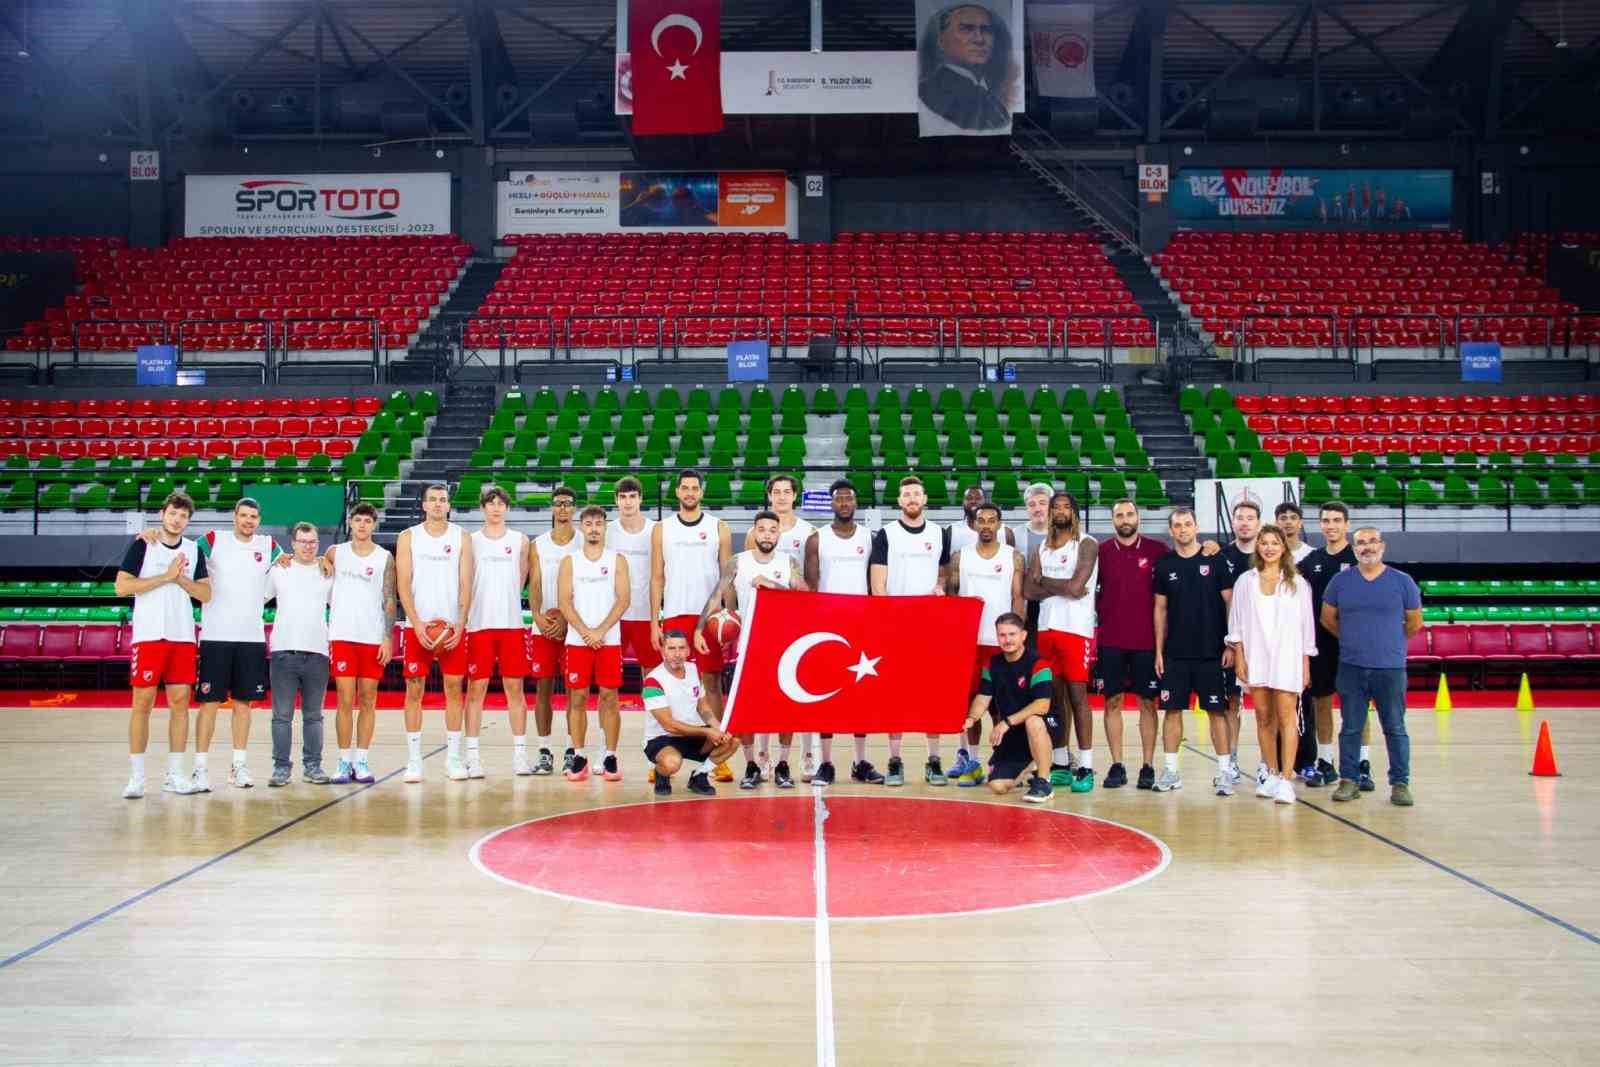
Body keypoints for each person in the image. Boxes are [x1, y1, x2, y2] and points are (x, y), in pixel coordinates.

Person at [140, 497, 278, 790]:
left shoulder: (268, 545)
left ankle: (238, 766)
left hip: (251, 637)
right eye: (243, 515)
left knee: (244, 704)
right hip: (215, 635)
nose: (248, 521)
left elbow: (293, 560)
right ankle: (200, 768)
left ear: (259, 520)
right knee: (209, 703)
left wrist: (324, 559)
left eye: (253, 516)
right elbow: (179, 546)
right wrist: (153, 534)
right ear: (234, 516)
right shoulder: (213, 540)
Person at [703, 509, 809, 789]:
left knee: (784, 708)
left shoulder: (789, 562)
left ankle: (783, 765)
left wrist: (773, 585)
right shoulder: (738, 561)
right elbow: (716, 596)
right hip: (748, 646)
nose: (767, 535)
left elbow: (806, 597)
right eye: (762, 529)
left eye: (772, 530)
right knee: (747, 709)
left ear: (778, 534)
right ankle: (751, 765)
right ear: (753, 532)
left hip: (782, 647)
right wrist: (699, 628)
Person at [116, 491, 211, 798]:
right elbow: (122, 586)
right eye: (172, 513)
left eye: (183, 515)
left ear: (188, 520)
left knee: (180, 704)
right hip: (149, 635)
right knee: (142, 703)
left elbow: (205, 594)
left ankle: (175, 775)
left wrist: (180, 579)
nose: (177, 519)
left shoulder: (194, 550)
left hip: (182, 636)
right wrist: (166, 576)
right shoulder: (144, 544)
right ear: (162, 514)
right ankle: (136, 778)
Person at [1322, 527, 1423, 807]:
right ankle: (1349, 780)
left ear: (1382, 546)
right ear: (1354, 549)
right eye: (1360, 543)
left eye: (1372, 541)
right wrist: (1352, 640)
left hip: (1390, 668)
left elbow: (1414, 622)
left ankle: (1400, 783)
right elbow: (1328, 619)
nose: (1367, 547)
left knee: (1395, 727)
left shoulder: (1402, 581)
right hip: (1351, 667)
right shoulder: (1340, 582)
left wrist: (1388, 642)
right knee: (1350, 728)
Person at [869, 475, 953, 786]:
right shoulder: (886, 534)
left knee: (932, 692)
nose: (912, 499)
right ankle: (895, 760)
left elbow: (943, 573)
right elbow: (878, 585)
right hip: (896, 627)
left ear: (925, 498)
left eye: (916, 493)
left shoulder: (939, 533)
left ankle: (934, 760)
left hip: (930, 627)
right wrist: (890, 622)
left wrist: (940, 586)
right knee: (896, 694)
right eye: (906, 495)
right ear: (899, 501)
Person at [1226, 525, 1316, 805]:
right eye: (1264, 543)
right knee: (1264, 718)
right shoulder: (1245, 581)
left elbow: (1306, 628)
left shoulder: (1297, 583)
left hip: (1288, 657)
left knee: (1287, 718)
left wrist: (1305, 664)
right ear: (1258, 548)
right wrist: (1240, 657)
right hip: (1256, 656)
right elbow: (1237, 623)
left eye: (1274, 543)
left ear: (1283, 547)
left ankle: (1287, 780)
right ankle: (1273, 774)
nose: (1269, 548)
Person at [803, 478, 883, 786]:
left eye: (849, 498)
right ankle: (826, 763)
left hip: (861, 624)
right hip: (827, 626)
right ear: (832, 503)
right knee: (827, 694)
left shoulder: (870, 537)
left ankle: (859, 761)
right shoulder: (817, 539)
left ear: (856, 502)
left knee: (860, 694)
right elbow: (811, 588)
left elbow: (875, 583)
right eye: (839, 498)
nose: (845, 503)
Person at [651, 470, 734, 755]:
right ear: (677, 492)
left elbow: (727, 577)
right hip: (675, 613)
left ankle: (716, 753)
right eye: (684, 488)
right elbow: (656, 578)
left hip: (709, 617)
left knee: (711, 681)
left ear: (701, 492)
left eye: (694, 488)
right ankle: (665, 749)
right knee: (672, 682)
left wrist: (729, 617)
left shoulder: (719, 527)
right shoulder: (662, 528)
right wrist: (654, 622)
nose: (689, 493)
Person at [1153, 508, 1235, 795]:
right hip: (1175, 653)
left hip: (1211, 652)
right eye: (1177, 525)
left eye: (1187, 524)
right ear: (1171, 531)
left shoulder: (1215, 559)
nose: (1183, 529)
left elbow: (1230, 603)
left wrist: (1230, 643)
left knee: (1216, 712)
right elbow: (1160, 609)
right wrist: (1159, 651)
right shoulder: (1164, 565)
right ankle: (1171, 771)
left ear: (1196, 527)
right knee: (1171, 711)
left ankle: (1224, 773)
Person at [394, 483, 472, 784]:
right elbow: (403, 584)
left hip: (451, 627)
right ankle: (414, 760)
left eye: (443, 500)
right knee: (414, 690)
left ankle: (453, 758)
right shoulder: (408, 537)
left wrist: (460, 624)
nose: (438, 504)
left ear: (449, 505)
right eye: (433, 500)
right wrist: (415, 622)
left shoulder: (461, 536)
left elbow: (466, 584)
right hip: (419, 626)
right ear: (424, 505)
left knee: (454, 690)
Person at [1023, 491, 1097, 792]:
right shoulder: (1041, 546)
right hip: (1046, 628)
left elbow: (1077, 588)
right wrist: (1061, 586)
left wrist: (1044, 581)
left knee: (1078, 696)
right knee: (1053, 698)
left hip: (1075, 629)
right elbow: (1029, 591)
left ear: (1074, 512)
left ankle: (1087, 766)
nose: (1061, 511)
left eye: (1066, 506)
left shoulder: (1087, 544)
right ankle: (1062, 763)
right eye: (1056, 507)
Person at [1093, 499, 1169, 790]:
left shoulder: (1157, 550)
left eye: (1129, 514)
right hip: (1111, 640)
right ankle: (1117, 765)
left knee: (1147, 703)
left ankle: (1147, 765)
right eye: (1119, 515)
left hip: (1146, 641)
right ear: (1112, 520)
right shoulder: (1100, 552)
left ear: (1138, 517)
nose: (1125, 519)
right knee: (1111, 702)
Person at [745, 473, 817, 780]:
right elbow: (746, 572)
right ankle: (762, 757)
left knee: (801, 689)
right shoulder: (756, 531)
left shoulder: (808, 531)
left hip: (796, 620)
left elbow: (810, 581)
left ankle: (808, 755)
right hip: (763, 622)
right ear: (769, 495)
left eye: (787, 491)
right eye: (777, 492)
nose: (782, 496)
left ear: (795, 496)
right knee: (765, 692)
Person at [948, 501, 1023, 786]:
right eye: (982, 520)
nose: (987, 525)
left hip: (1000, 642)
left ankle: (1004, 760)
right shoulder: (960, 557)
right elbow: (952, 598)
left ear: (999, 524)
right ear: (974, 524)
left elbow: (1018, 599)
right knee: (970, 705)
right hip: (969, 642)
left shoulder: (1013, 556)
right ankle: (972, 761)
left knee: (1001, 706)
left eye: (992, 520)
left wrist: (1016, 637)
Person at [558, 505, 632, 783]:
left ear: (605, 527)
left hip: (608, 640)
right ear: (582, 527)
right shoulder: (570, 561)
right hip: (578, 641)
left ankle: (610, 755)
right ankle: (579, 755)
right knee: (577, 698)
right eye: (588, 524)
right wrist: (585, 632)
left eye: (598, 524)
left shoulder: (617, 560)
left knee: (609, 697)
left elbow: (623, 599)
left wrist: (600, 630)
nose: (593, 528)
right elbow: (564, 601)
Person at [322, 503, 393, 785]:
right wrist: (322, 560)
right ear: (350, 523)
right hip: (342, 635)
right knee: (344, 698)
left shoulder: (384, 557)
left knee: (368, 699)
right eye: (358, 520)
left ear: (374, 525)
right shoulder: (335, 552)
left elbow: (389, 599)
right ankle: (343, 759)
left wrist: (387, 636)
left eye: (367, 520)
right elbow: (319, 561)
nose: (362, 525)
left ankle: (361, 759)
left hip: (371, 636)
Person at [1299, 501, 1367, 789]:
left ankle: (1362, 765)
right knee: (1322, 703)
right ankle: (1325, 762)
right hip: (1321, 645)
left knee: (1357, 706)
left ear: (1347, 524)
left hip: (1353, 645)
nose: (1331, 526)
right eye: (1326, 521)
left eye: (1337, 520)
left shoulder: (1359, 558)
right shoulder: (1311, 560)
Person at [464, 485, 529, 779]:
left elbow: (521, 579)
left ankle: (520, 755)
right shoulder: (471, 541)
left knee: (515, 691)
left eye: (501, 503)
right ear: (482, 508)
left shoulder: (520, 541)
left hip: (511, 625)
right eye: (490, 503)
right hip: (479, 624)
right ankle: (472, 756)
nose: (496, 508)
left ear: (507, 508)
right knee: (475, 691)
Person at [263, 522, 334, 786]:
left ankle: (313, 766)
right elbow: (257, 596)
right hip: (284, 652)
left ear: (318, 544)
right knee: (282, 716)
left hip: (317, 653)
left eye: (313, 542)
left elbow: (340, 604)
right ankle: (281, 768)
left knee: (314, 716)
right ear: (293, 543)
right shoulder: (279, 569)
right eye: (303, 541)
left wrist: (326, 560)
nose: (308, 546)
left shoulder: (327, 572)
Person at [962, 613, 1056, 803]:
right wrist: (971, 718)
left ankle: (1044, 781)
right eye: (1002, 635)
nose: (1007, 640)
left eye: (1012, 634)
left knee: (1033, 721)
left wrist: (1006, 722)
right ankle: (1030, 763)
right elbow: (983, 697)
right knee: (997, 786)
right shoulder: (992, 664)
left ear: (1023, 635)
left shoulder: (1038, 663)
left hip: (1044, 726)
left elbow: (1042, 705)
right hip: (1014, 733)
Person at [643, 630, 739, 797]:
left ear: (688, 651)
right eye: (671, 648)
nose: (677, 654)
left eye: (681, 648)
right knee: (672, 763)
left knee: (732, 741)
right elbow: (669, 725)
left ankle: (698, 776)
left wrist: (719, 729)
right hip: (661, 738)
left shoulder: (693, 669)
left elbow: (703, 707)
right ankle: (661, 773)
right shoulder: (653, 681)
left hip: (690, 734)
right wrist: (707, 732)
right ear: (663, 651)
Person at [530, 486, 580, 775]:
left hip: (574, 626)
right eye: (558, 503)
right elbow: (535, 584)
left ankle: (573, 750)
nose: (562, 508)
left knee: (575, 691)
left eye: (568, 503)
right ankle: (544, 750)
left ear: (574, 508)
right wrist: (537, 616)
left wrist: (568, 618)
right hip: (545, 627)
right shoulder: (538, 544)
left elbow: (584, 584)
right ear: (551, 508)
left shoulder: (583, 541)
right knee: (543, 689)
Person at [917, 3, 1012, 133]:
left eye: (986, 30)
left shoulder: (988, 91)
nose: (979, 39)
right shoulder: (929, 90)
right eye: (966, 29)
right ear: (941, 41)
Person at [1219, 498, 1260, 784]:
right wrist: (1231, 644)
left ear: (1258, 523)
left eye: (1249, 518)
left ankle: (1267, 764)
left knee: (1266, 705)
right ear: (1233, 522)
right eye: (1240, 518)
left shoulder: (1269, 553)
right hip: (1232, 644)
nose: (1244, 523)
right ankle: (1231, 761)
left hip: (1264, 643)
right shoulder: (1221, 556)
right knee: (1231, 704)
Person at [949, 483, 1016, 554]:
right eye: (969, 498)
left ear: (985, 501)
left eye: (978, 498)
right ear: (963, 502)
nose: (973, 501)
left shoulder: (1006, 532)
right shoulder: (952, 530)